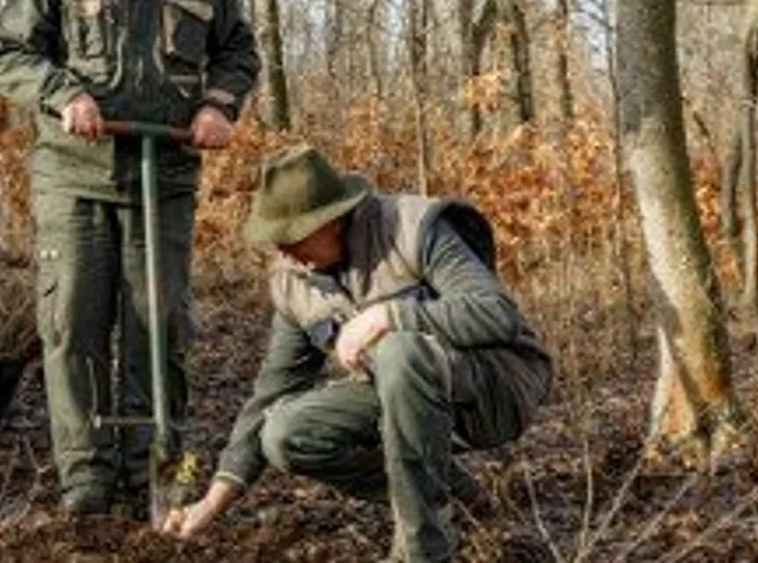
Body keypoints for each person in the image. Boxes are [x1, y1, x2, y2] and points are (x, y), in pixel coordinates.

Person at [0, 0, 260, 515]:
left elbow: (238, 52)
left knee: (156, 322)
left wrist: (219, 106)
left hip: (162, 173)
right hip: (73, 178)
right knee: (73, 319)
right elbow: (1, 52)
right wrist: (62, 94)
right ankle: (85, 470)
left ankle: (153, 461)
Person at [164, 143, 552, 562]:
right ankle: (454, 497)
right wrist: (210, 503)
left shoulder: (412, 227)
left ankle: (424, 550)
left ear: (332, 220)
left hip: (496, 388)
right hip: (405, 399)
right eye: (276, 240)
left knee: (400, 351)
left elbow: (496, 314)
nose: (283, 252)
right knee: (285, 434)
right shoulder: (294, 282)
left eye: (292, 236)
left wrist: (390, 315)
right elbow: (270, 394)